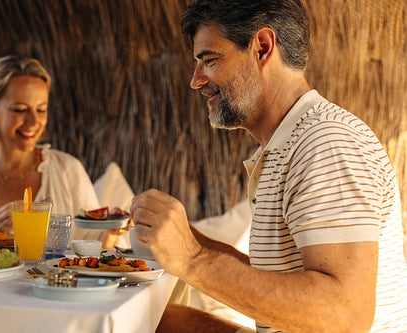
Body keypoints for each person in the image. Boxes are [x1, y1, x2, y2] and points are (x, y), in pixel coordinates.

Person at [130, 1, 407, 332]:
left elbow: (344, 315)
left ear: (262, 47)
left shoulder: (326, 143)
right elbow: (284, 280)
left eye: (210, 60)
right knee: (152, 321)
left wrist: (192, 259)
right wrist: (185, 239)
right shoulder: (291, 143)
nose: (196, 80)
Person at [0, 55, 121, 248]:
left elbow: (94, 250)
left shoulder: (68, 170)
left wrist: (111, 233)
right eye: (20, 109)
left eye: (41, 109)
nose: (34, 122)